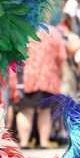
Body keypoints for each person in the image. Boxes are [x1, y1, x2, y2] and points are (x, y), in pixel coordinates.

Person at [15, 21, 67, 149]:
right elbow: (62, 56)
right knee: (45, 111)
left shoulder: (25, 28)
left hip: (27, 77)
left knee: (25, 111)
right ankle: (43, 142)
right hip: (47, 78)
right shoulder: (54, 32)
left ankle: (24, 142)